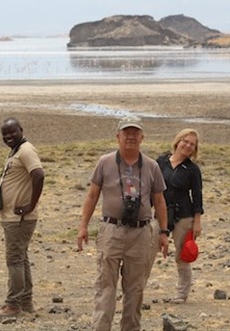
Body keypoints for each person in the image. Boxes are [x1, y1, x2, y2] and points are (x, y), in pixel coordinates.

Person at [77, 115, 169, 331]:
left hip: (141, 233)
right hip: (111, 230)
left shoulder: (152, 166)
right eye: (126, 132)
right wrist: (83, 227)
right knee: (105, 286)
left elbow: (159, 201)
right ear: (117, 136)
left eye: (135, 133)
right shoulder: (105, 162)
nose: (131, 136)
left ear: (142, 137)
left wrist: (163, 232)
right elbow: (92, 196)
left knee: (135, 289)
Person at [0, 117, 44, 318]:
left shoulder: (26, 150)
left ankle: (13, 305)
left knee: (14, 259)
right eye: (5, 134)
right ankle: (25, 302)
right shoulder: (16, 152)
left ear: (21, 130)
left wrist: (30, 205)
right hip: (13, 216)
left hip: (19, 218)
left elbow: (38, 175)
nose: (8, 137)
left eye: (12, 132)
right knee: (21, 258)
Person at [156, 128, 204, 304]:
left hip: (184, 216)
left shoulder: (192, 170)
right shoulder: (161, 161)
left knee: (183, 255)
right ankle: (134, 289)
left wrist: (197, 221)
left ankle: (182, 294)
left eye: (192, 144)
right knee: (144, 251)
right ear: (178, 141)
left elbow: (197, 196)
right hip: (160, 213)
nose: (188, 145)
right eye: (186, 141)